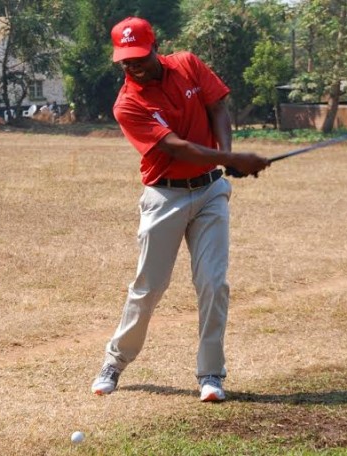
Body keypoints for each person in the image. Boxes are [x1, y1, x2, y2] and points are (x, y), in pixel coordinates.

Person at [91, 16, 270, 402]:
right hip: (164, 197)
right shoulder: (128, 104)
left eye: (138, 57)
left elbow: (218, 107)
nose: (132, 66)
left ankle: (211, 375)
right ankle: (114, 361)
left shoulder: (188, 63)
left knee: (213, 284)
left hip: (209, 193)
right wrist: (233, 156)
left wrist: (226, 162)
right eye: (125, 60)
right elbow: (175, 147)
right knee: (149, 287)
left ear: (155, 47)